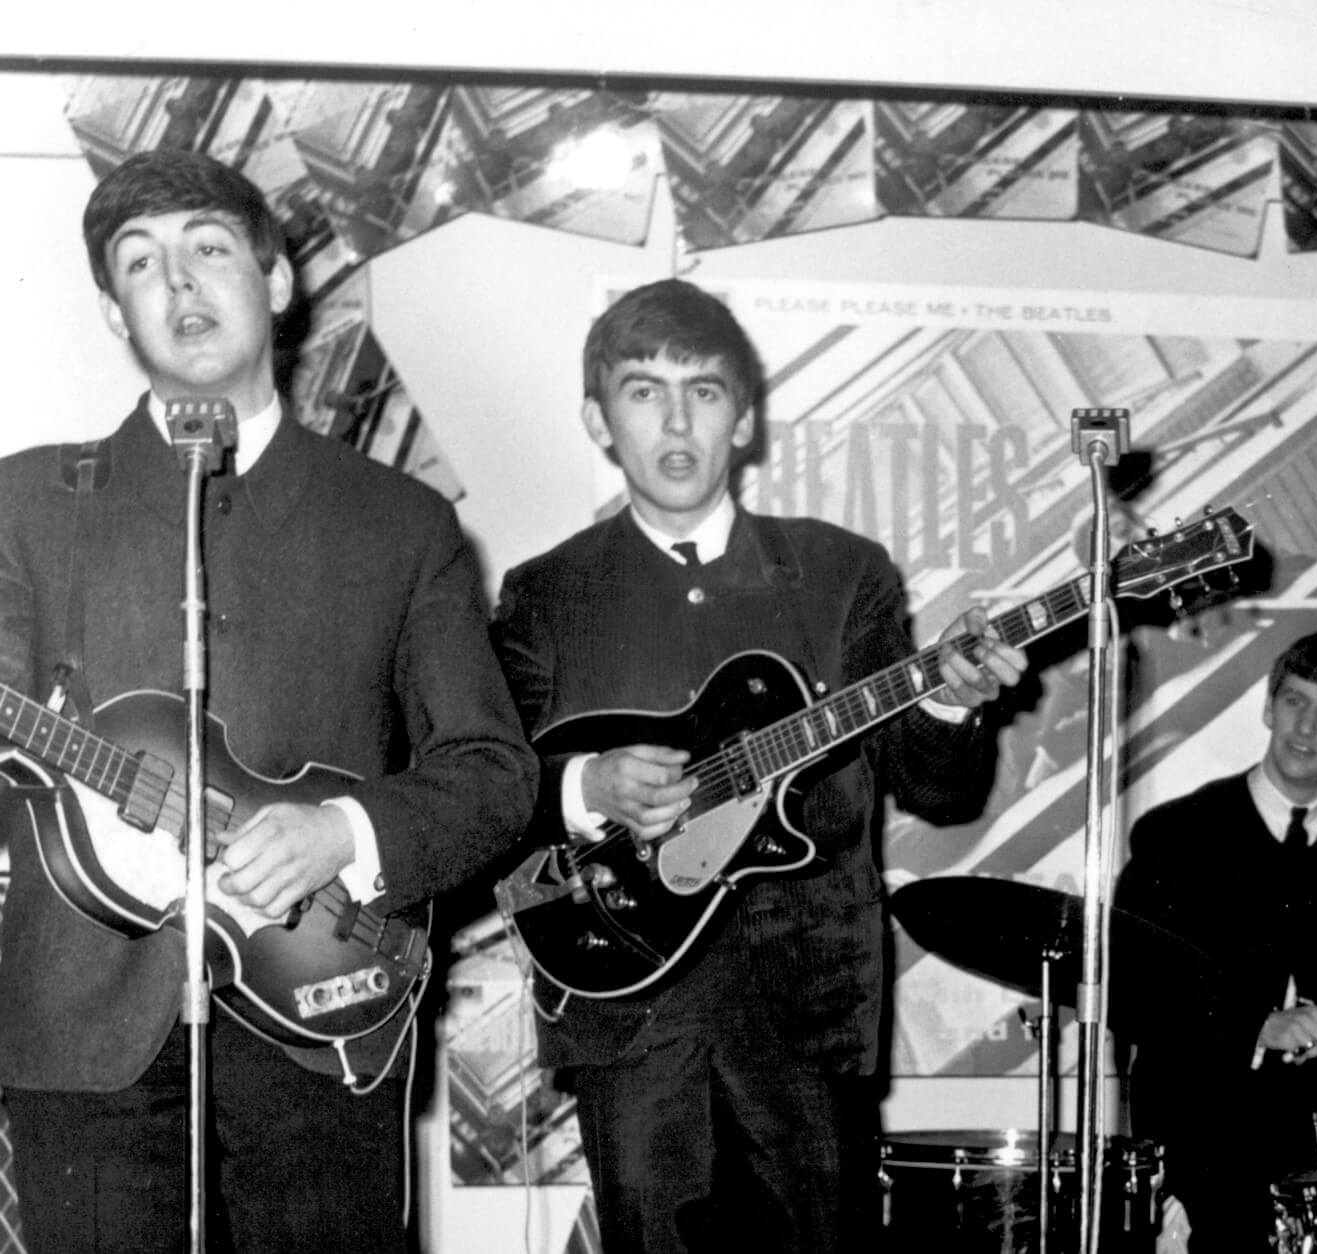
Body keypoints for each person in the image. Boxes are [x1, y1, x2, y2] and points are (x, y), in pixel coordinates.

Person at [0, 149, 536, 1253]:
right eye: (141, 265)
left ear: (279, 280)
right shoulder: (23, 504)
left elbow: (491, 773)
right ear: (114, 311)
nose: (180, 286)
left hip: (318, 1018)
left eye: (208, 247)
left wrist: (341, 833)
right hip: (81, 1032)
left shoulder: (401, 524)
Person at [492, 278, 1028, 1253]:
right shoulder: (544, 594)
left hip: (807, 1012)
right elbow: (481, 790)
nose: (676, 418)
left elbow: (940, 792)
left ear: (743, 417)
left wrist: (950, 696)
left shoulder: (842, 574)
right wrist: (586, 786)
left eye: (703, 390)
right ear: (596, 419)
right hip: (627, 1000)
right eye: (642, 390)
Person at [1113, 627, 1317, 1252]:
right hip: (1201, 1143)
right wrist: (1256, 1026)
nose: (1305, 728)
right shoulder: (1176, 835)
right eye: (1294, 702)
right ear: (1267, 706)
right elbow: (1129, 995)